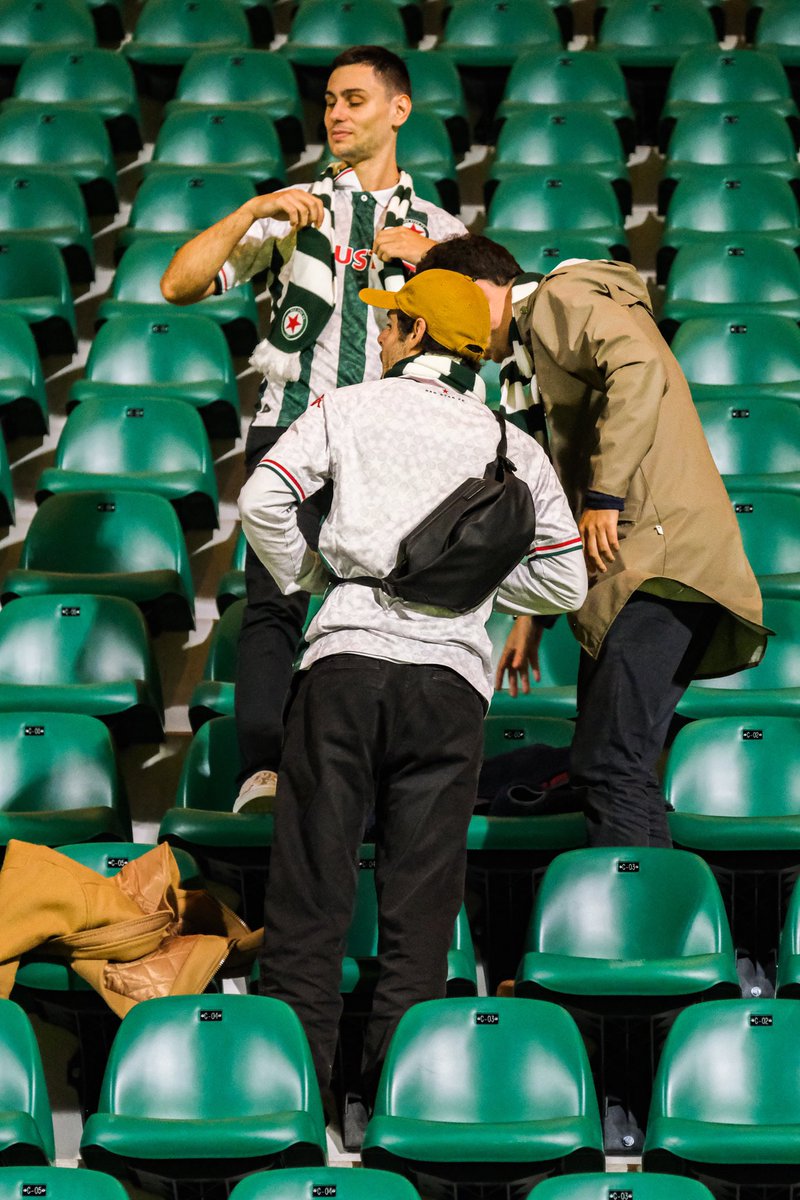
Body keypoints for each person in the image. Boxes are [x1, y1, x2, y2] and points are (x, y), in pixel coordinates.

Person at [238, 269, 587, 1102]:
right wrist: (478, 589)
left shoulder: (347, 408)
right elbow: (567, 585)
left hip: (345, 666)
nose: (383, 335)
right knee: (420, 914)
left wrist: (314, 575)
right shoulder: (513, 446)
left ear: (418, 336)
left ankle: (296, 1109)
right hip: (449, 683)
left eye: (393, 324)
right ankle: (394, 1114)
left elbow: (262, 499)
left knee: (310, 899)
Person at [161, 45, 467, 810]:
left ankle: (362, 777)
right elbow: (178, 285)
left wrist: (431, 260)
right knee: (273, 607)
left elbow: (493, 332)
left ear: (399, 110)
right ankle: (262, 771)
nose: (336, 113)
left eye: (355, 99)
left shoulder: (439, 227)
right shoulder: (295, 209)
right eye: (329, 100)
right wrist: (249, 212)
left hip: (390, 450)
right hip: (291, 435)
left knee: (377, 615)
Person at [415, 236, 769, 847]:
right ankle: (657, 919)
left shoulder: (559, 295)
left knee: (611, 765)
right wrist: (537, 619)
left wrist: (605, 497)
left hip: (656, 563)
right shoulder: (526, 357)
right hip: (640, 569)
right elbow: (556, 483)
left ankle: (640, 937)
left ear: (480, 292)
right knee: (610, 763)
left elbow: (639, 368)